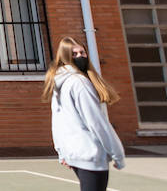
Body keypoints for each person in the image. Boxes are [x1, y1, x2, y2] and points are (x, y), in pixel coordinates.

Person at [43, 36, 125, 191]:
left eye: (82, 52)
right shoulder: (79, 83)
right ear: (65, 57)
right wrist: (117, 153)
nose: (80, 56)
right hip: (90, 153)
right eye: (74, 54)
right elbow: (96, 122)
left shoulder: (60, 83)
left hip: (76, 153)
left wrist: (62, 151)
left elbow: (58, 121)